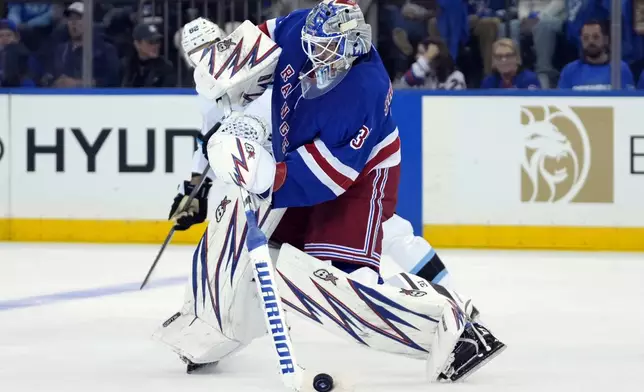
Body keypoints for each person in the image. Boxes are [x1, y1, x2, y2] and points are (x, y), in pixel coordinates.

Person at [155, 2, 504, 382]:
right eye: (311, 45)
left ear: (352, 45)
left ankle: (450, 329)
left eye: (325, 49)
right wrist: (227, 67)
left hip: (358, 175)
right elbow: (261, 40)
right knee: (239, 239)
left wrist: (262, 176)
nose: (313, 55)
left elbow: (331, 175)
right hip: (293, 157)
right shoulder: (303, 29)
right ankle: (211, 327)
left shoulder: (363, 89)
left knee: (336, 279)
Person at [46, 2, 120, 88]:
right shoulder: (60, 50)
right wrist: (56, 83)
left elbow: (112, 80)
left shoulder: (106, 49)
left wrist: (78, 84)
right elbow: (48, 77)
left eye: (78, 18)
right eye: (70, 19)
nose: (74, 23)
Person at [558, 19, 634, 90]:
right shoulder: (570, 71)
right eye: (586, 38)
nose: (591, 41)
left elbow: (629, 101)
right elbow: (560, 101)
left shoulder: (620, 69)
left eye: (596, 37)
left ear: (606, 40)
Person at [397, 37, 466, 89]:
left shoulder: (456, 76)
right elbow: (403, 86)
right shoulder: (420, 75)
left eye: (421, 53)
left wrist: (427, 57)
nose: (417, 57)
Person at [121, 23, 176, 87]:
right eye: (151, 42)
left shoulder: (165, 67)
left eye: (157, 41)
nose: (156, 46)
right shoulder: (125, 66)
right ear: (137, 44)